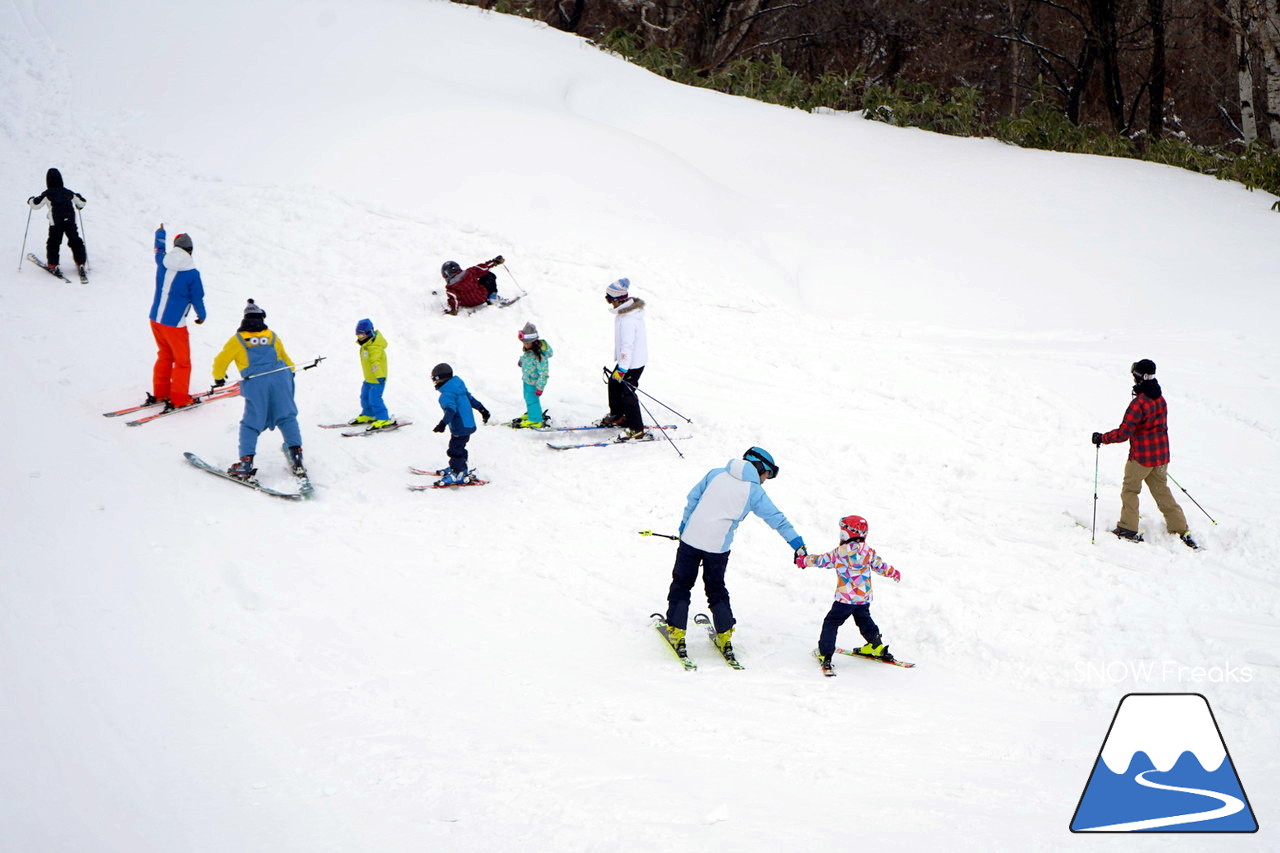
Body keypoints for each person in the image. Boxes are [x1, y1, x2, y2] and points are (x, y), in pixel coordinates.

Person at [662, 447, 806, 659]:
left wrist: (684, 526)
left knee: (682, 584)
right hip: (718, 549)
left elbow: (693, 499)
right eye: (768, 474)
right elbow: (777, 519)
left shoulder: (715, 473)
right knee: (716, 588)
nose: (766, 480)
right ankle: (724, 634)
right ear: (760, 467)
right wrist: (798, 545)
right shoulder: (754, 492)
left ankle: (677, 630)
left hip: (690, 540)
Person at [1092, 359, 1197, 548]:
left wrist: (1102, 438)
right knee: (1162, 491)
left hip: (1141, 458)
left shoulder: (1139, 403)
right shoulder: (1160, 399)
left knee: (1130, 490)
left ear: (1139, 377)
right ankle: (1180, 529)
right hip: (1161, 456)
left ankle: (1128, 528)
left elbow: (1124, 433)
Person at [212, 300, 305, 480]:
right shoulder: (272, 336)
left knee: (251, 423)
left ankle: (246, 462)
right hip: (281, 378)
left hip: (256, 383)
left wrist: (218, 377)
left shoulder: (238, 340)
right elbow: (286, 359)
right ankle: (297, 456)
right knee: (286, 416)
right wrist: (289, 375)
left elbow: (220, 362)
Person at [798, 515, 902, 675]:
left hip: (845, 599)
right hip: (863, 598)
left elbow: (821, 560)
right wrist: (893, 572)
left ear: (846, 534)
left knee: (831, 622)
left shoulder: (840, 552)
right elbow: (880, 566)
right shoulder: (868, 551)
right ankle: (876, 646)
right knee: (864, 620)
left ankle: (825, 653)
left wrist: (804, 561)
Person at [148, 225, 207, 411]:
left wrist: (160, 233)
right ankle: (180, 398)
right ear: (190, 251)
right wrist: (201, 315)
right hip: (175, 324)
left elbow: (158, 248)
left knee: (165, 355)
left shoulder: (163, 261)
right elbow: (197, 298)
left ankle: (160, 392)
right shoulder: (192, 274)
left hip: (155, 319)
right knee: (182, 362)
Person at [599, 278, 649, 440]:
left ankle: (636, 429)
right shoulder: (625, 313)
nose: (607, 302)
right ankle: (619, 415)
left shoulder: (628, 319)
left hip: (632, 364)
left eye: (608, 298)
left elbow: (627, 347)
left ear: (615, 299)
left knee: (627, 394)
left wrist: (622, 369)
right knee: (614, 384)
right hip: (626, 362)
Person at [431, 363, 490, 486]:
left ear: (439, 379)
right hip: (468, 425)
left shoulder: (447, 394)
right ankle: (459, 468)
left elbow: (451, 410)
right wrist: (483, 410)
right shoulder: (459, 387)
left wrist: (442, 424)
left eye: (434, 379)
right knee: (460, 447)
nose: (434, 382)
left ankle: (458, 473)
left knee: (455, 449)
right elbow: (471, 400)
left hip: (459, 426)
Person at [27, 167, 88, 278]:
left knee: (54, 243)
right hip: (70, 220)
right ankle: (81, 263)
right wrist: (79, 206)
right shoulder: (68, 192)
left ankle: (53, 265)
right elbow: (82, 202)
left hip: (56, 222)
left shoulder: (47, 194)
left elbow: (35, 205)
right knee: (75, 241)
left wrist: (30, 200)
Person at [350, 318, 394, 429]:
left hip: (377, 379)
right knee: (364, 397)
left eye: (361, 336)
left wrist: (380, 376)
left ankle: (383, 418)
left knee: (375, 399)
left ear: (369, 333)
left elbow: (376, 362)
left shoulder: (375, 347)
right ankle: (368, 414)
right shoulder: (366, 345)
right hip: (368, 379)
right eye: (358, 336)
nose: (359, 338)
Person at [511, 322, 553, 428]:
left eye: (526, 343)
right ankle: (532, 413)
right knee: (527, 398)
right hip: (527, 380)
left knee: (532, 400)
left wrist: (540, 387)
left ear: (533, 342)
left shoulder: (540, 357)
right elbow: (527, 358)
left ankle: (535, 419)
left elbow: (544, 374)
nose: (524, 345)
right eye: (523, 343)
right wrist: (522, 362)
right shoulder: (529, 351)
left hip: (534, 383)